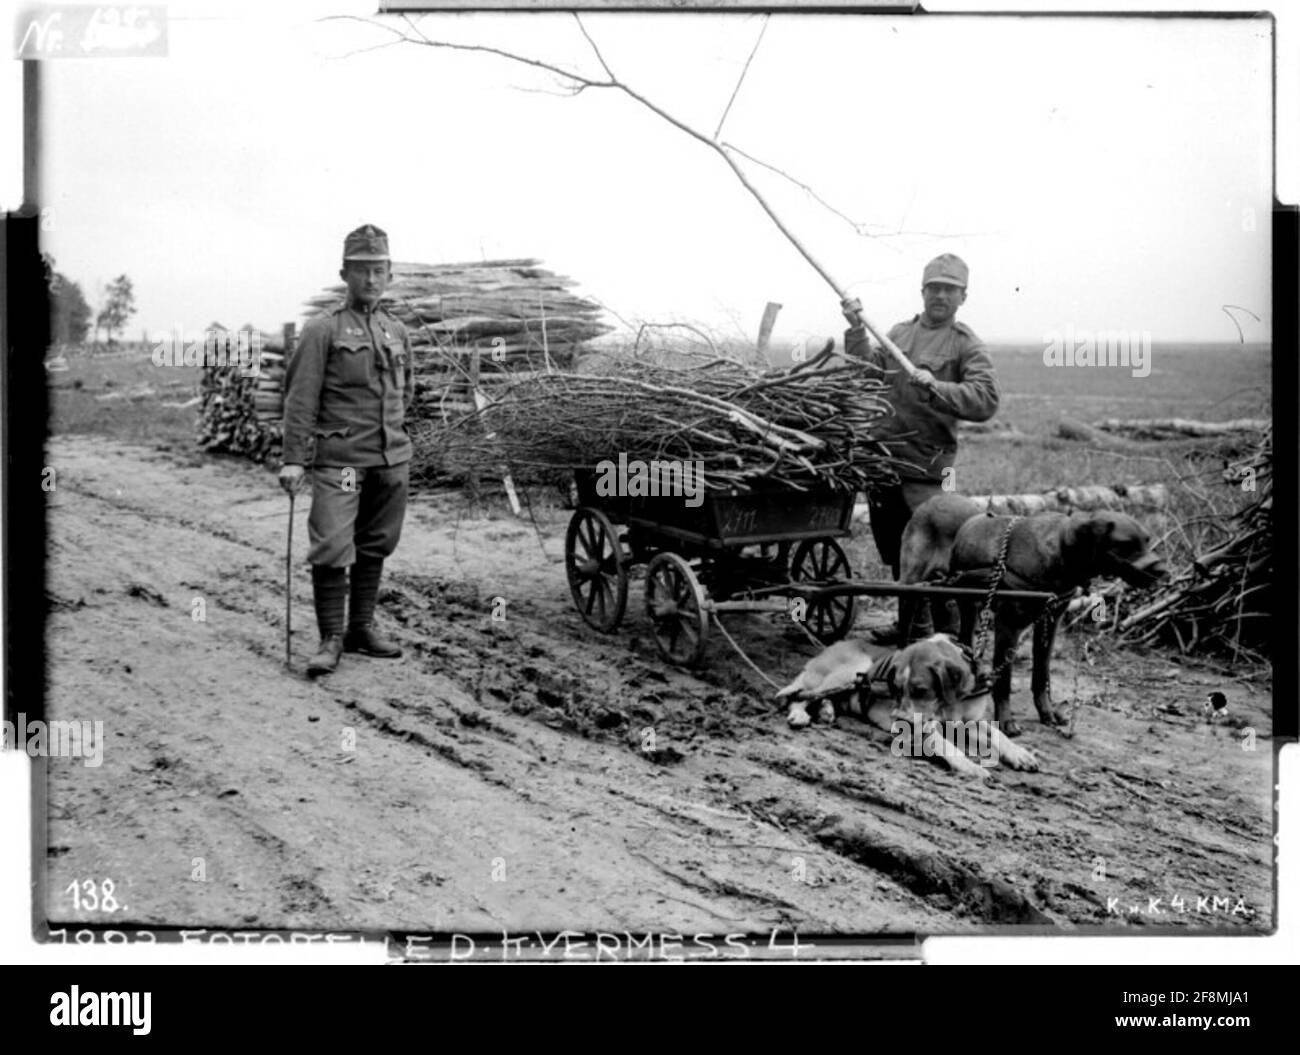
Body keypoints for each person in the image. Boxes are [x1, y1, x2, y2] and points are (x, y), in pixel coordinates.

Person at [841, 253, 1000, 642]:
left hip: (930, 468)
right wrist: (857, 329)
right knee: (899, 550)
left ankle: (953, 637)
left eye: (950, 289)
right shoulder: (898, 334)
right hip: (885, 461)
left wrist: (937, 386)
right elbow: (866, 370)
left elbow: (985, 400)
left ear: (963, 296)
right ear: (923, 291)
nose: (940, 295)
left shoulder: (967, 346)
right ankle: (910, 627)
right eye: (934, 288)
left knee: (940, 553)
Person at [279, 224, 415, 676]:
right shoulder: (322, 330)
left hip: (390, 459)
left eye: (378, 270)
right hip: (341, 462)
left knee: (376, 544)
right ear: (344, 274)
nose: (371, 280)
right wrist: (294, 458)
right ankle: (331, 638)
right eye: (361, 271)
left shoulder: (396, 331)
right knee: (333, 546)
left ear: (389, 274)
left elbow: (405, 392)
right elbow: (301, 398)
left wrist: (392, 438)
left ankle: (360, 628)